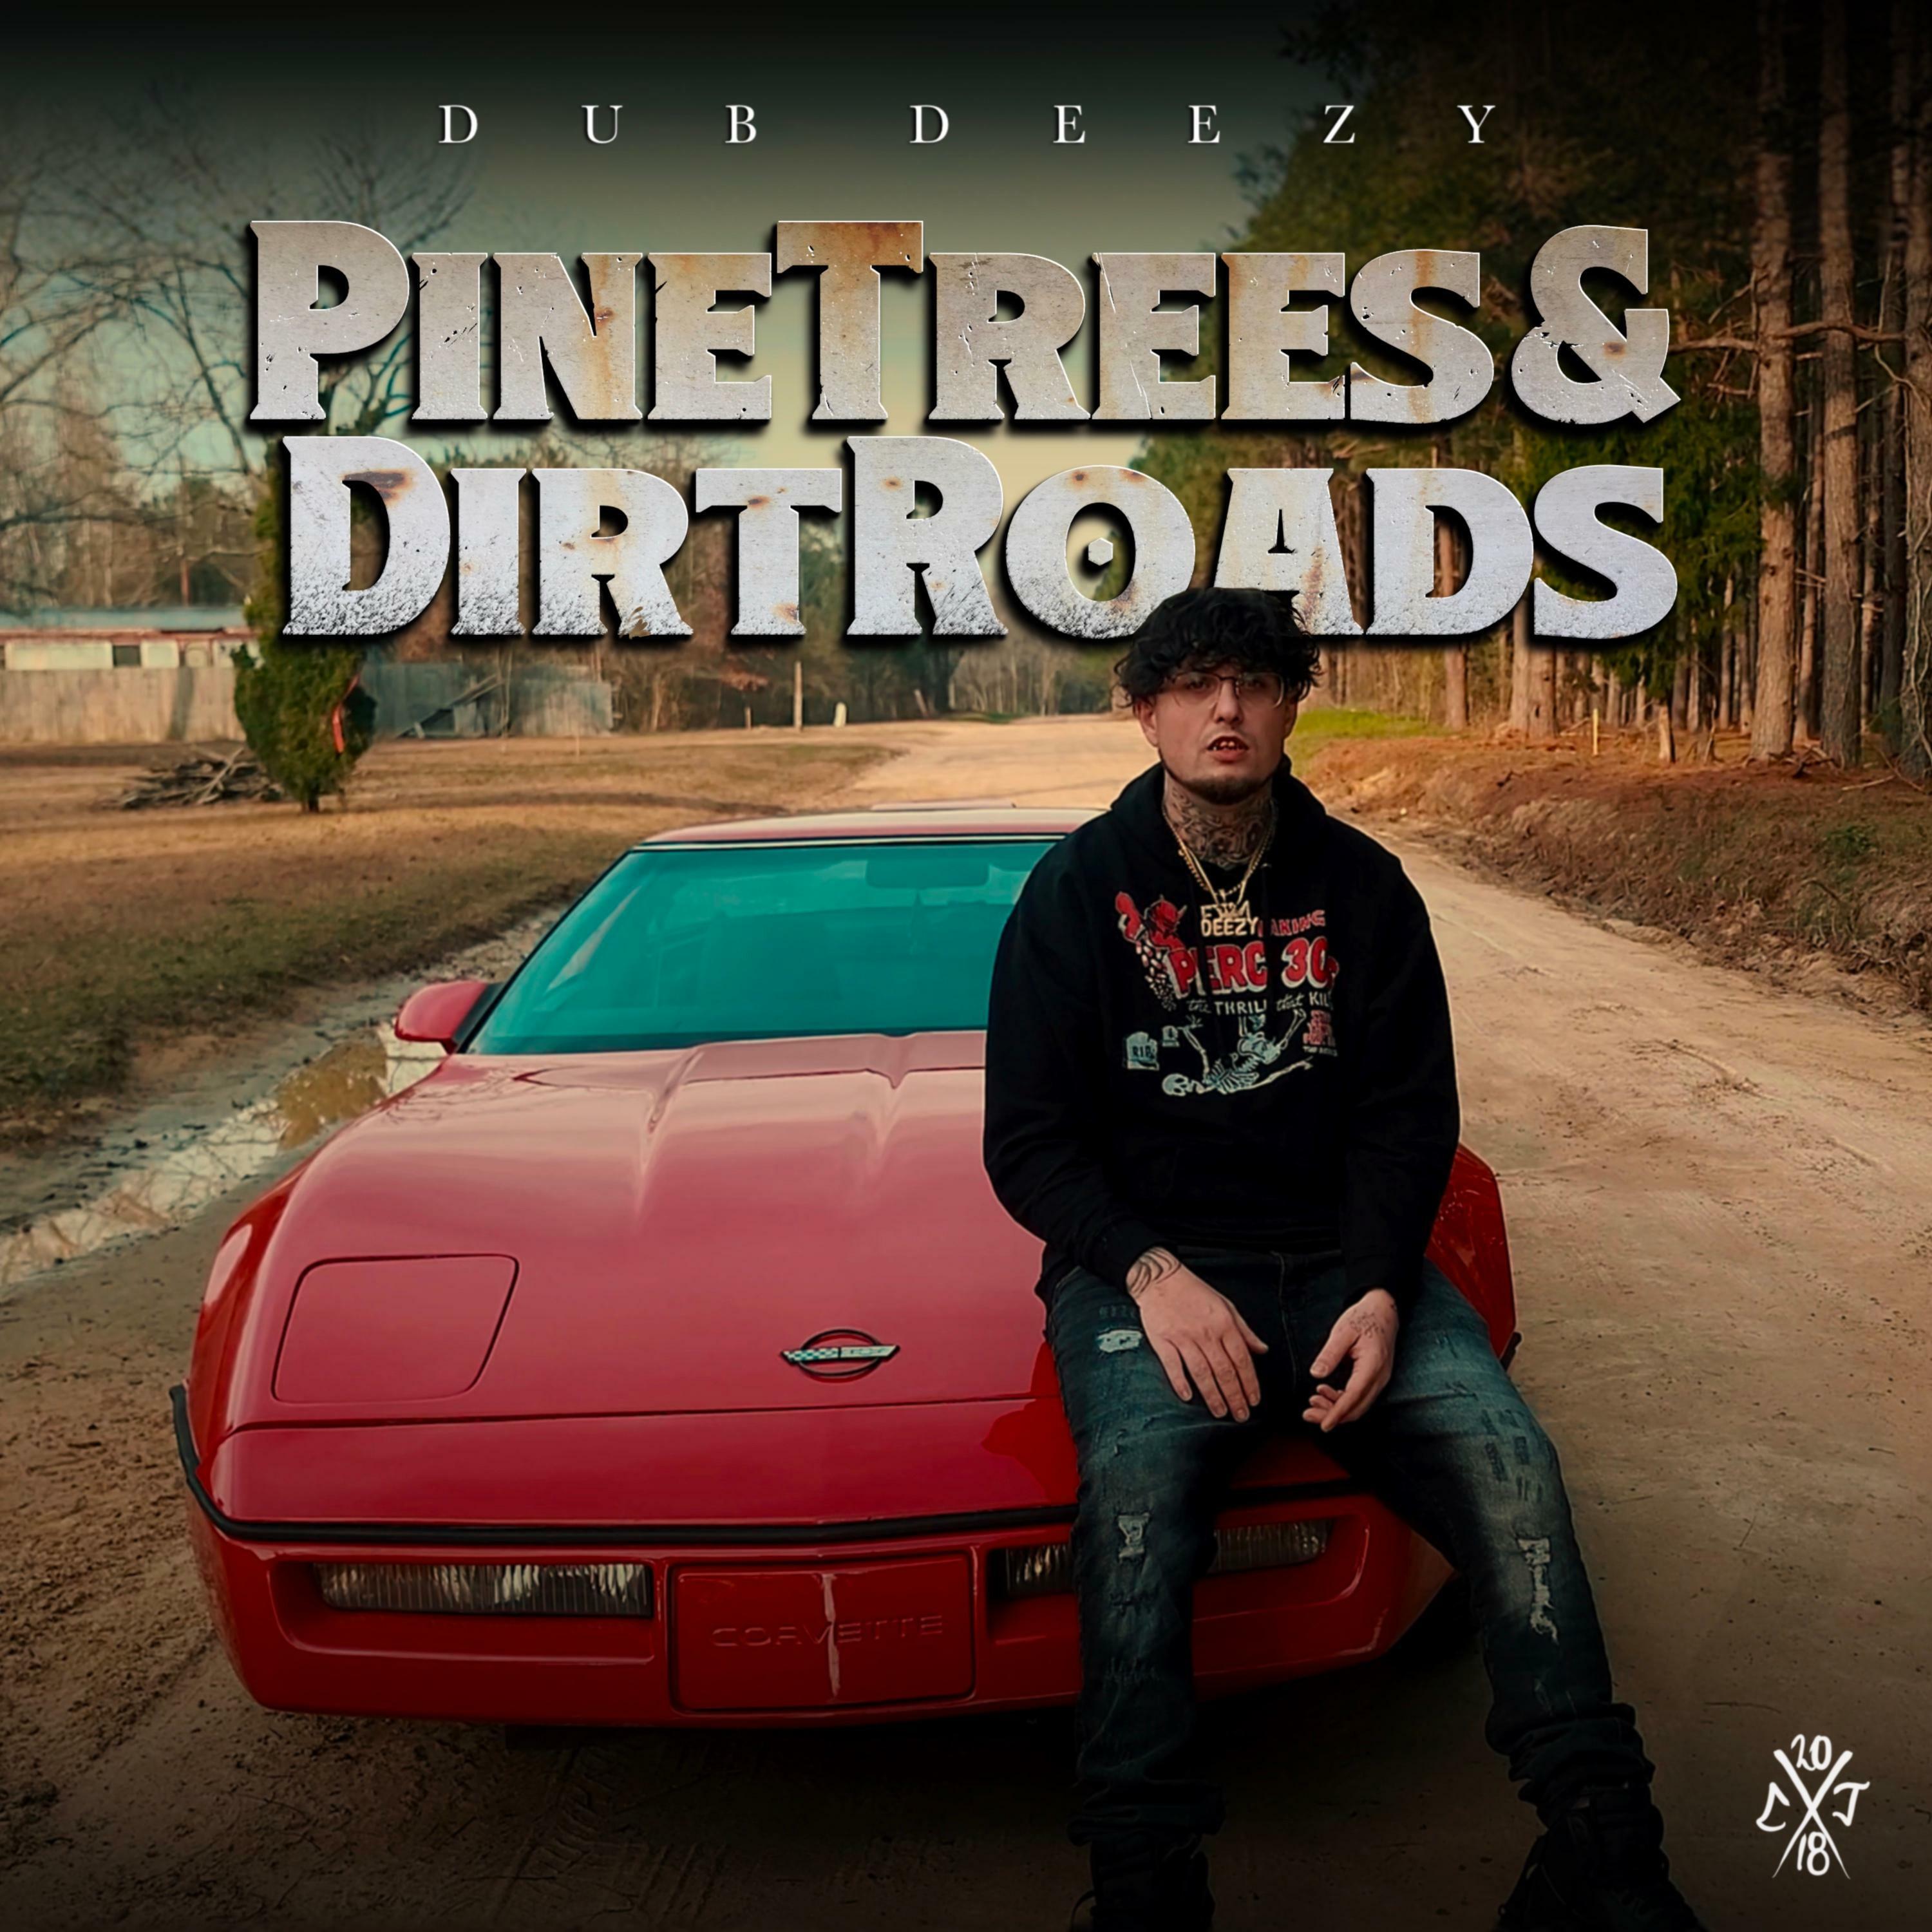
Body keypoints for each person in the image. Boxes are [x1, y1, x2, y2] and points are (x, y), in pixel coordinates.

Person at [981, 587, 1704, 1932]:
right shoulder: (1076, 892)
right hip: (1153, 1274)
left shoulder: (1364, 888)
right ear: (1147, 713)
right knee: (1134, 1507)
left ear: (1291, 706)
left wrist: (1378, 1285)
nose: (1227, 709)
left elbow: (1406, 1117)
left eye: (1255, 682)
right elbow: (1029, 1142)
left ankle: (1604, 1856)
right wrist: (1151, 1276)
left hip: (1340, 1266)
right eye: (1194, 685)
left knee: (1512, 1467)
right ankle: (1145, 1885)